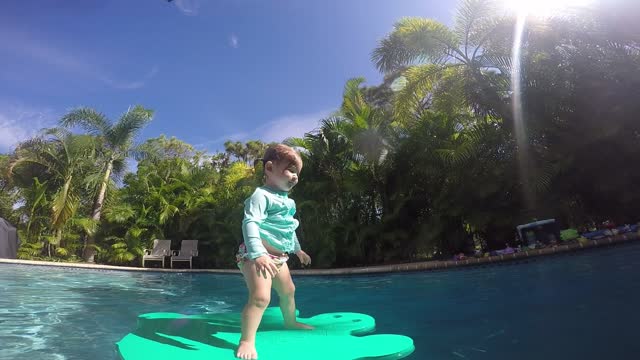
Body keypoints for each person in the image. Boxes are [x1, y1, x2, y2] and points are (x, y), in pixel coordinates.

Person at [235, 144, 313, 360]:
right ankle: (247, 340)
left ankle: (290, 322)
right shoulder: (260, 195)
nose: (295, 177)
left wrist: (298, 250)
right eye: (291, 170)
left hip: (279, 258)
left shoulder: (289, 202)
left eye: (297, 173)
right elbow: (249, 223)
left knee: (288, 291)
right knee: (260, 298)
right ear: (269, 167)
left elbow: (287, 230)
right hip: (256, 256)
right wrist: (258, 253)